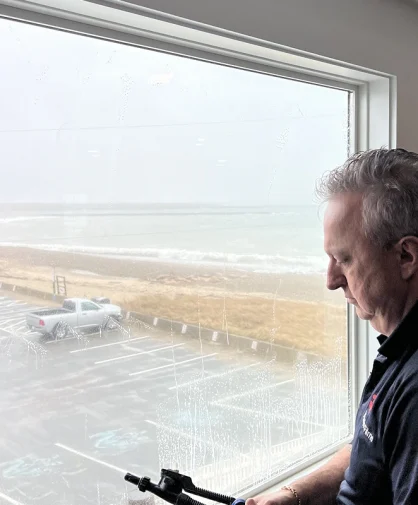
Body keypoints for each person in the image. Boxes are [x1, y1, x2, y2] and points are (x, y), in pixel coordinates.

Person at [247, 148, 418, 505]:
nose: (331, 280)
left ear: (406, 257)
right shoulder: (400, 343)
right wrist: (294, 495)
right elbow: (372, 444)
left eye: (344, 259)